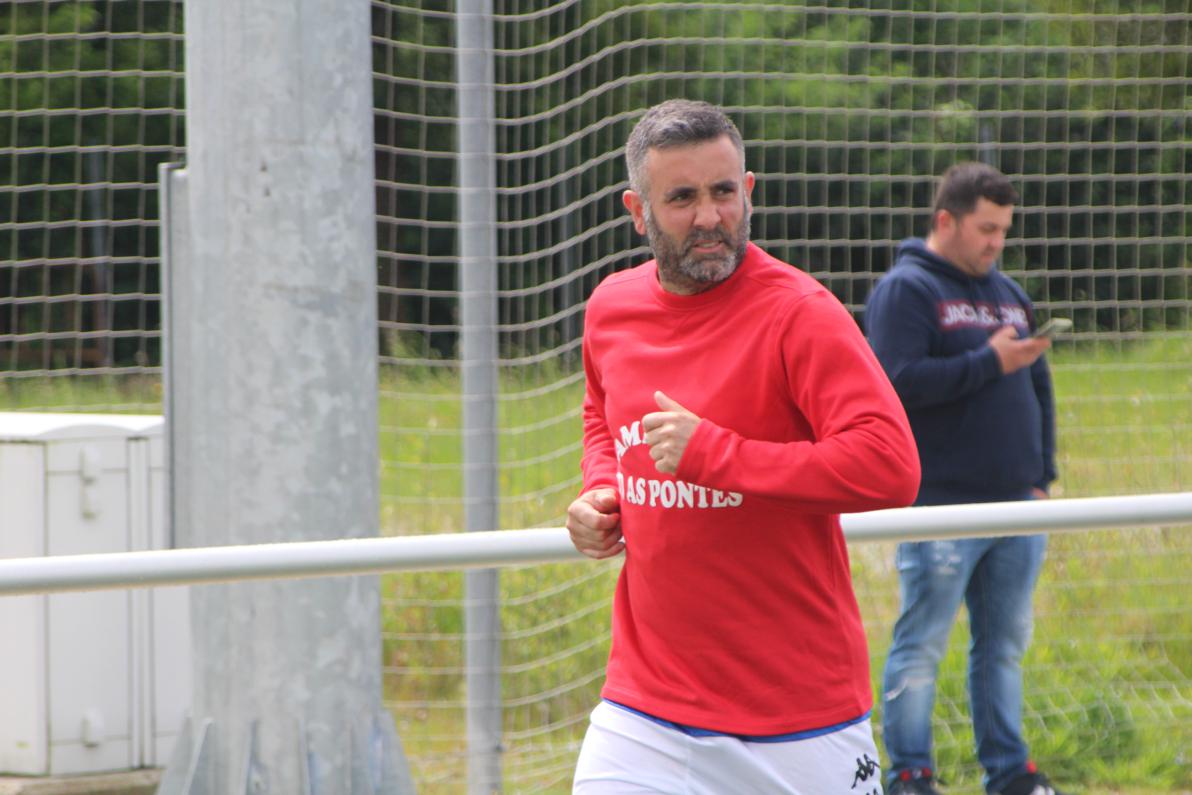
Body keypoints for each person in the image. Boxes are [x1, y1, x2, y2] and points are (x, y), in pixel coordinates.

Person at [566, 98, 921, 794]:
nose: (709, 217)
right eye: (682, 198)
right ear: (637, 210)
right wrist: (600, 489)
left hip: (798, 718)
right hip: (646, 710)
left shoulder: (799, 312)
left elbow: (890, 465)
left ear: (748, 191)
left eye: (723, 192)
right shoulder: (610, 307)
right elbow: (602, 417)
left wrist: (715, 453)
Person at [863, 162, 1066, 795]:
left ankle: (1009, 773)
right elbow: (895, 385)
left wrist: (1042, 477)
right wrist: (988, 362)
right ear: (945, 220)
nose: (996, 243)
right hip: (942, 507)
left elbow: (1038, 385)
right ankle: (911, 775)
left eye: (1004, 230)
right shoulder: (906, 290)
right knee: (922, 644)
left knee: (1004, 646)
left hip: (1019, 507)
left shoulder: (1008, 292)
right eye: (986, 229)